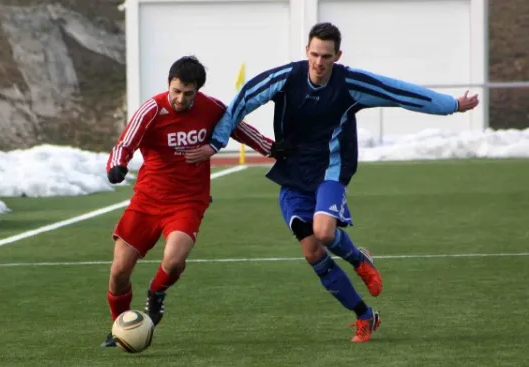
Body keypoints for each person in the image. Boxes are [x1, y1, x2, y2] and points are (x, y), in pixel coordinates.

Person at [186, 22, 479, 343]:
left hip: (332, 168)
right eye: (314, 54)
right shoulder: (284, 78)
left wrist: (450, 105)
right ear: (306, 52)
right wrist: (216, 142)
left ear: (337, 55)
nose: (319, 62)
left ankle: (357, 259)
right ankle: (365, 316)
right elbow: (242, 101)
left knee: (325, 232)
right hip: (293, 171)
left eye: (326, 56)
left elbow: (398, 92)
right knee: (312, 252)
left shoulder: (350, 82)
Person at [101, 56, 275, 347]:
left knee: (175, 261)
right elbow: (125, 143)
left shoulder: (212, 108)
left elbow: (241, 129)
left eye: (188, 93)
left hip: (188, 201)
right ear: (169, 83)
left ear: (198, 91)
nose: (180, 99)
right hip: (147, 199)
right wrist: (116, 165)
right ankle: (118, 327)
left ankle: (156, 293)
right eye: (177, 91)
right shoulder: (152, 109)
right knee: (118, 272)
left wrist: (274, 148)